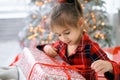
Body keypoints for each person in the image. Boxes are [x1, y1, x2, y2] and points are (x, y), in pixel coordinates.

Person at [37, 0, 120, 80]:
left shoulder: (90, 48)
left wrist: (109, 67)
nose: (63, 38)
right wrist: (47, 48)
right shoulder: (61, 44)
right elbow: (44, 48)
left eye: (67, 33)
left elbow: (116, 70)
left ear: (80, 23)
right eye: (58, 35)